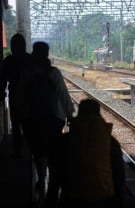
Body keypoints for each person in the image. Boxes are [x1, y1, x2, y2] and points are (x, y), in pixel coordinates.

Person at [20, 41, 75, 206]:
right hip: (54, 119)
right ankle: (52, 180)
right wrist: (70, 114)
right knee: (52, 149)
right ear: (47, 54)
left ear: (34, 53)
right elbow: (63, 95)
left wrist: (21, 116)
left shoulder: (26, 73)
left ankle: (41, 177)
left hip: (32, 118)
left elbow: (19, 97)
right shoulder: (54, 72)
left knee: (38, 149)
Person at [0, 33, 33, 159]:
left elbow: (2, 80)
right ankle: (31, 151)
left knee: (16, 124)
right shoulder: (30, 59)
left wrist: (1, 93)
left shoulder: (8, 61)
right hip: (30, 98)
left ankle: (18, 151)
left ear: (12, 46)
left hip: (14, 96)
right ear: (24, 46)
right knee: (29, 124)